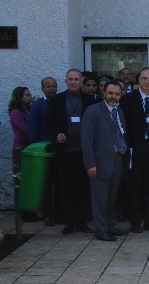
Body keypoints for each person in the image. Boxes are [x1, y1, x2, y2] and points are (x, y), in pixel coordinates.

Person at [47, 68, 96, 235]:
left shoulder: (89, 100)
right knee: (66, 189)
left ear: (81, 81)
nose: (73, 82)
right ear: (66, 81)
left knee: (83, 189)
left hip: (83, 151)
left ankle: (82, 222)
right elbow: (51, 122)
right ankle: (68, 223)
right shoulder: (57, 100)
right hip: (65, 152)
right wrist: (56, 134)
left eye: (76, 79)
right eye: (70, 79)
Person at [119, 67, 149, 233]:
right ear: (139, 80)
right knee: (135, 186)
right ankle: (135, 222)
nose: (147, 82)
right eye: (144, 78)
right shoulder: (128, 100)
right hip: (135, 148)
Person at [80, 81, 129, 241]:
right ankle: (100, 230)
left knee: (111, 197)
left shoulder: (119, 111)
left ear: (121, 95)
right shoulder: (93, 111)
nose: (113, 97)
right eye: (110, 93)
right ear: (104, 93)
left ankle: (110, 226)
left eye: (117, 94)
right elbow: (87, 140)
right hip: (99, 163)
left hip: (117, 159)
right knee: (100, 198)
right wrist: (90, 164)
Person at [29, 77, 59, 226]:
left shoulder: (59, 102)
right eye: (48, 86)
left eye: (54, 86)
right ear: (42, 89)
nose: (51, 88)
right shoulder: (38, 106)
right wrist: (36, 149)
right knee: (46, 184)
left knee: (59, 183)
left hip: (59, 149)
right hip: (43, 150)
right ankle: (48, 214)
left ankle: (60, 213)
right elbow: (33, 129)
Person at [9, 87, 32, 173]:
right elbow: (26, 130)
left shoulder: (28, 109)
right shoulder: (16, 113)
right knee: (20, 177)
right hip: (20, 149)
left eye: (30, 94)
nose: (30, 96)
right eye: (27, 95)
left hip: (29, 147)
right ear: (20, 98)